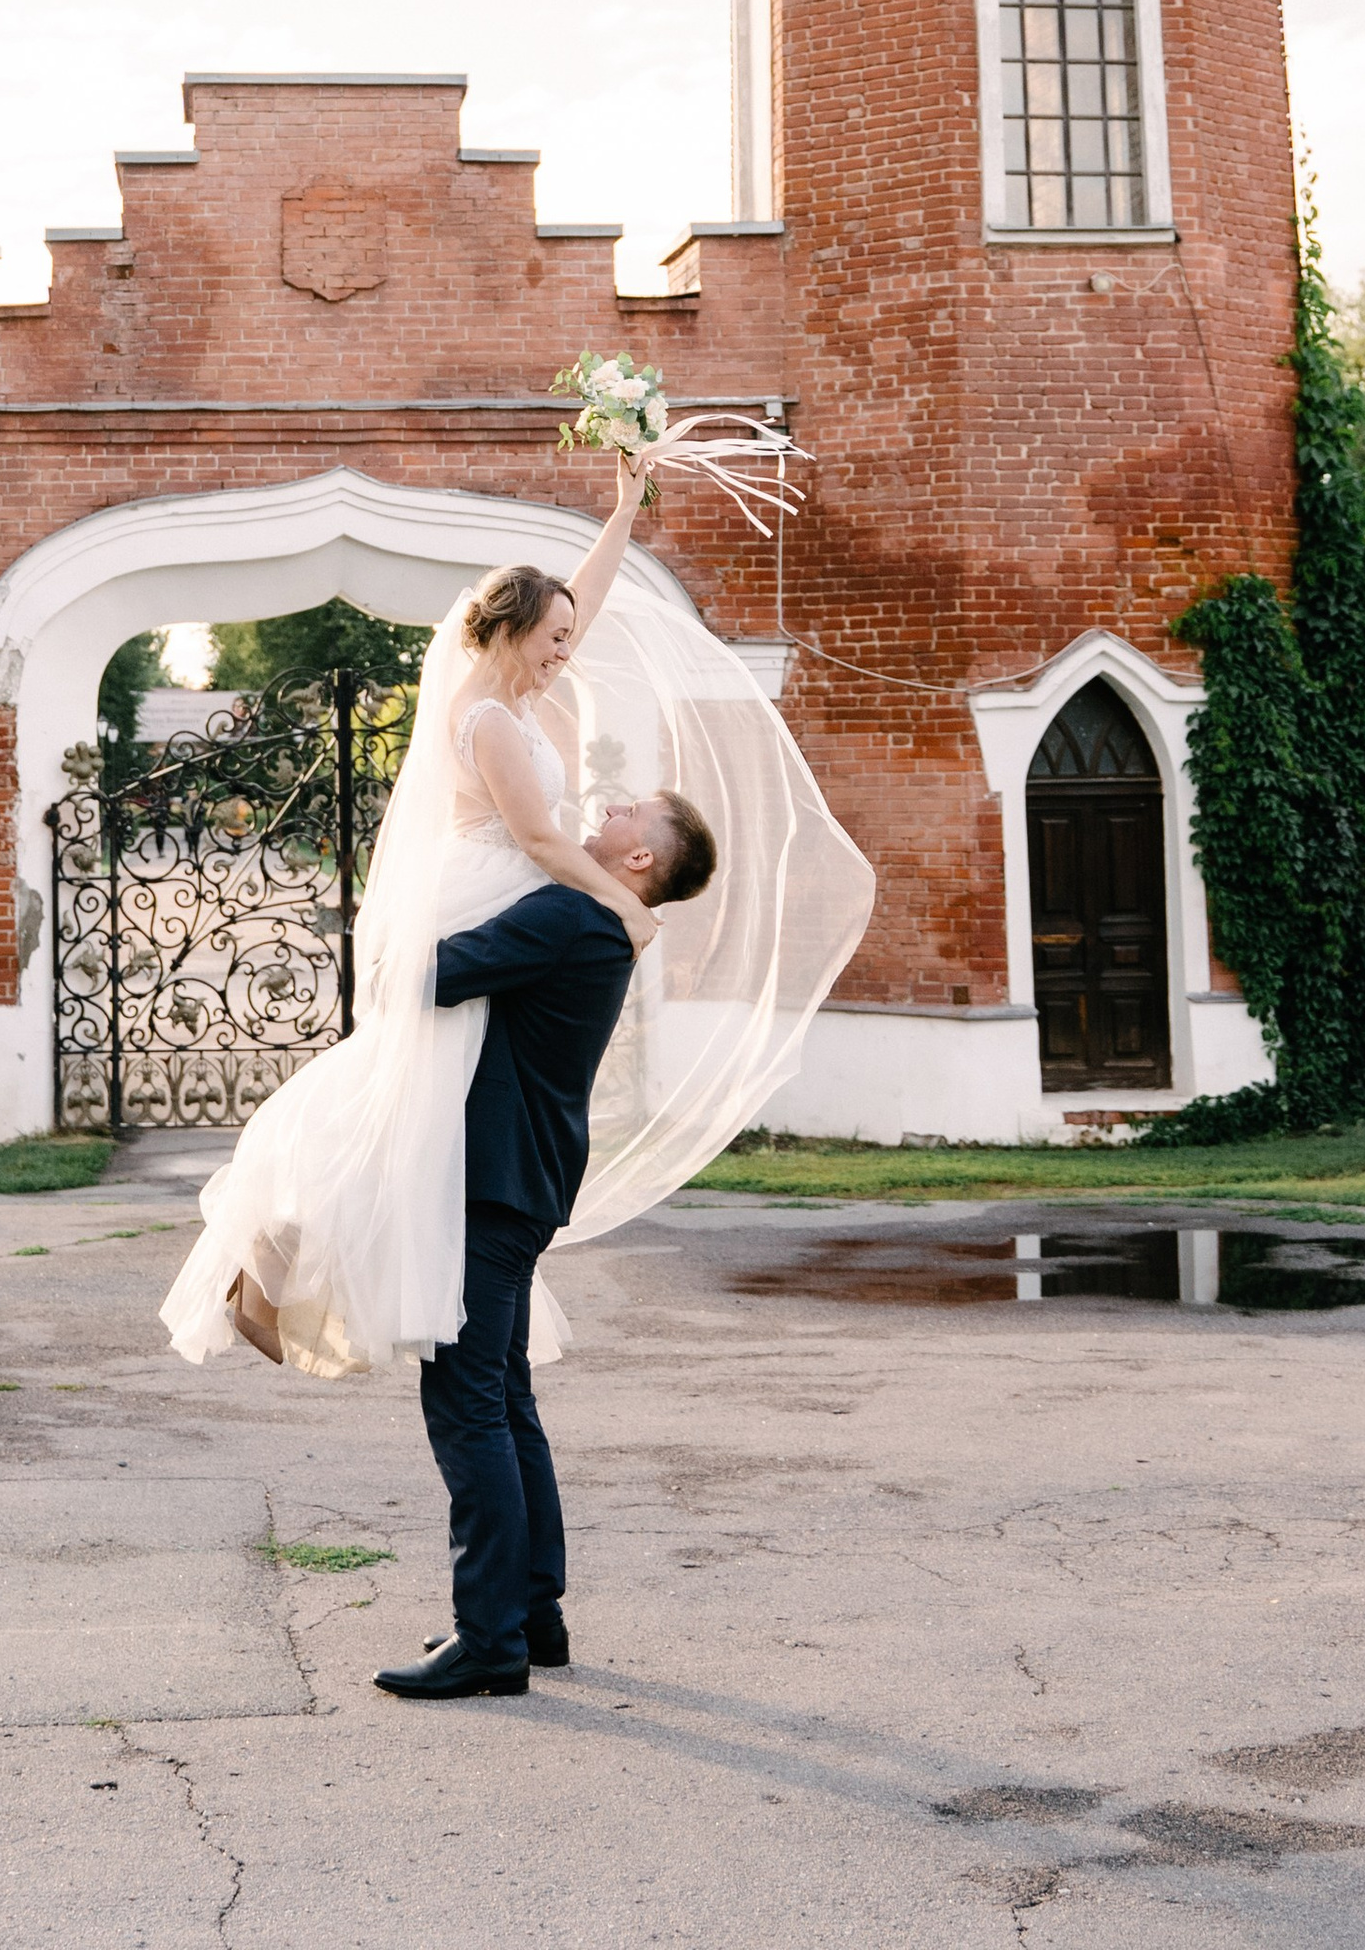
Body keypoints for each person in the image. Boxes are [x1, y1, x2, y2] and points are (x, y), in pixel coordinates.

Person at [158, 458, 874, 1390]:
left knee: (431, 1118)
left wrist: (622, 510)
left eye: (571, 637)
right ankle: (269, 1258)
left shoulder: (528, 696)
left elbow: (589, 598)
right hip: (488, 892)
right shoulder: (488, 717)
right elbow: (538, 837)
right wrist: (619, 901)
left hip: (513, 895)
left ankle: (299, 1276)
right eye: (555, 636)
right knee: (401, 1093)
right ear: (511, 630)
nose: (568, 648)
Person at [374, 782, 718, 1700]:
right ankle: (533, 1617)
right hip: (525, 1178)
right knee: (505, 1395)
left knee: (466, 1401)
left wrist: (405, 906)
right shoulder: (597, 922)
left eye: (628, 813)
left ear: (641, 858)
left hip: (494, 1183)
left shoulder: (573, 915)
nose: (608, 811)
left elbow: (432, 973)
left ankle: (489, 1640)